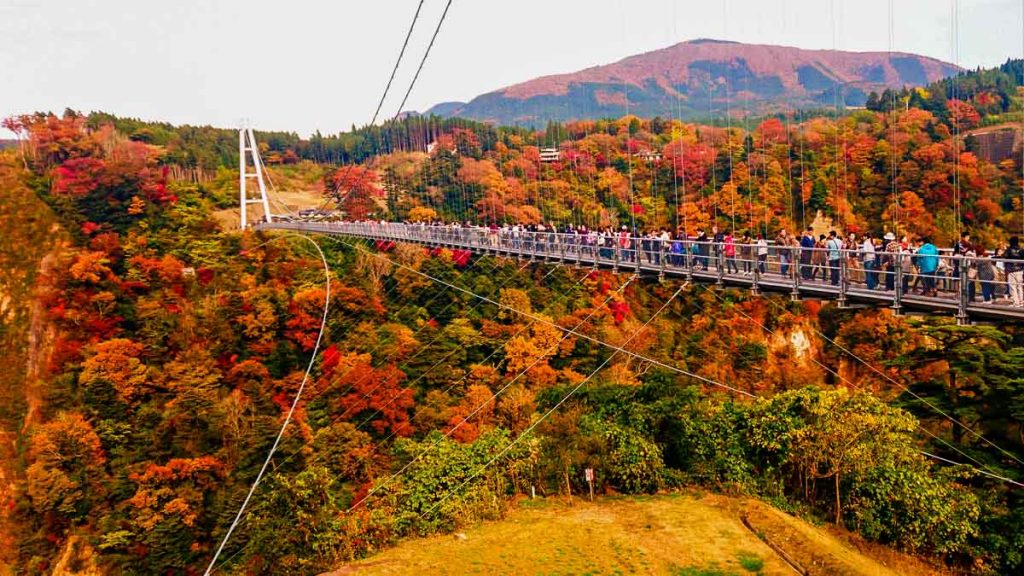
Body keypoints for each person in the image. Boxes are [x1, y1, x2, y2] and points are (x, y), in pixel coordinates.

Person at [1004, 236, 1024, 308]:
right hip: (1020, 270)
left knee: (1013, 287)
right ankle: (1021, 301)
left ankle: (1016, 303)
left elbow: (1005, 257)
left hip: (1011, 270)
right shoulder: (1021, 250)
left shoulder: (1009, 250)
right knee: (1019, 286)